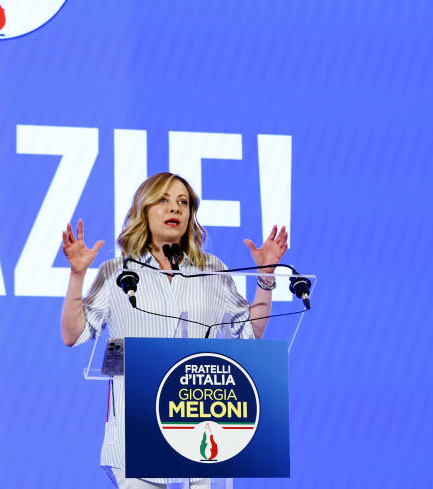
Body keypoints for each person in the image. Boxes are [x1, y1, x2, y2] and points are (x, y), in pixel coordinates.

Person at [60, 172, 288, 489]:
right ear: (144, 210)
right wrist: (77, 275)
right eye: (164, 200)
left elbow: (250, 332)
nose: (175, 209)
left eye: (183, 202)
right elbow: (73, 335)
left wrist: (266, 277)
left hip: (200, 432)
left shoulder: (212, 270)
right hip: (135, 435)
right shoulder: (117, 273)